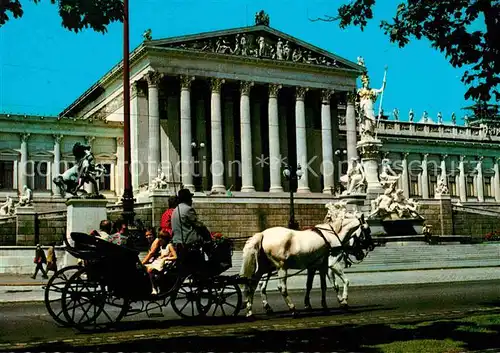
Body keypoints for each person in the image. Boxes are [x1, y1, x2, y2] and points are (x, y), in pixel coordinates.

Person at [171, 189, 211, 273]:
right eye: (190, 198)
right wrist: (208, 236)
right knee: (209, 246)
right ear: (188, 199)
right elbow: (199, 225)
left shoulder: (175, 210)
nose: (192, 200)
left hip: (177, 242)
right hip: (188, 242)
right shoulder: (188, 209)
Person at [141, 229, 177, 295]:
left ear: (165, 239)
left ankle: (154, 288)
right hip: (160, 261)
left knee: (150, 269)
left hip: (165, 263)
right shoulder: (161, 246)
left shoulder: (169, 246)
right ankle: (152, 286)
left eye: (161, 240)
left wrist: (166, 258)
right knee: (146, 267)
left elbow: (175, 257)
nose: (159, 241)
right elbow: (162, 253)